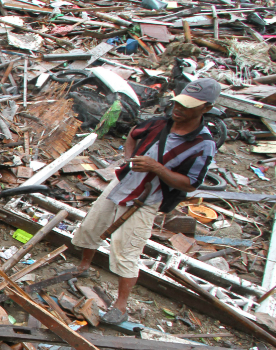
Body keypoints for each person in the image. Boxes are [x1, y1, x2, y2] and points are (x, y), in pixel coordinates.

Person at [72, 78, 221, 324]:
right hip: (122, 183)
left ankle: (120, 306)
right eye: (178, 103)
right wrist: (129, 160)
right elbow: (133, 134)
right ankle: (83, 266)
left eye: (187, 106)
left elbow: (190, 183)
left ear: (206, 108)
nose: (179, 109)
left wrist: (157, 168)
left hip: (147, 197)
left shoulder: (202, 145)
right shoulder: (160, 123)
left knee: (127, 249)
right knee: (92, 225)